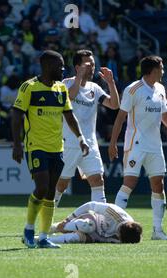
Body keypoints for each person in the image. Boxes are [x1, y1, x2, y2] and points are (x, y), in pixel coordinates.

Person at [108, 55, 167, 240]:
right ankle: (114, 229)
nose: (163, 71)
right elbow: (120, 118)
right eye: (161, 68)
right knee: (129, 183)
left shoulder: (160, 89)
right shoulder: (133, 89)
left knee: (158, 184)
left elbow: (165, 117)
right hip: (135, 144)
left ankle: (158, 230)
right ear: (152, 70)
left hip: (155, 146)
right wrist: (113, 143)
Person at [11, 50, 89, 248]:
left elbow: (69, 116)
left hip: (57, 147)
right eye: (59, 66)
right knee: (42, 186)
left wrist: (81, 138)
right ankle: (29, 229)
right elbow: (17, 115)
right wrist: (17, 143)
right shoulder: (29, 87)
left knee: (50, 193)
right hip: (35, 146)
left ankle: (44, 236)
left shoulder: (61, 89)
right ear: (46, 67)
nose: (63, 69)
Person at [54, 50, 119, 207]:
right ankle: (45, 219)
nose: (92, 68)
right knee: (61, 184)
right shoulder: (65, 83)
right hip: (68, 142)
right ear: (77, 67)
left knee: (98, 179)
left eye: (93, 65)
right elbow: (69, 98)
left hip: (90, 143)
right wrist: (79, 79)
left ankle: (99, 221)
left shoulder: (94, 88)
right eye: (88, 65)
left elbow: (114, 105)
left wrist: (111, 83)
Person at [49, 201, 142, 244]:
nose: (117, 238)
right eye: (119, 236)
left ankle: (43, 240)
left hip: (96, 236)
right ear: (120, 230)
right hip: (92, 220)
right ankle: (54, 228)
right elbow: (90, 205)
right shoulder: (114, 213)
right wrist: (68, 219)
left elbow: (103, 240)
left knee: (74, 238)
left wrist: (89, 239)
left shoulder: (130, 237)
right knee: (87, 226)